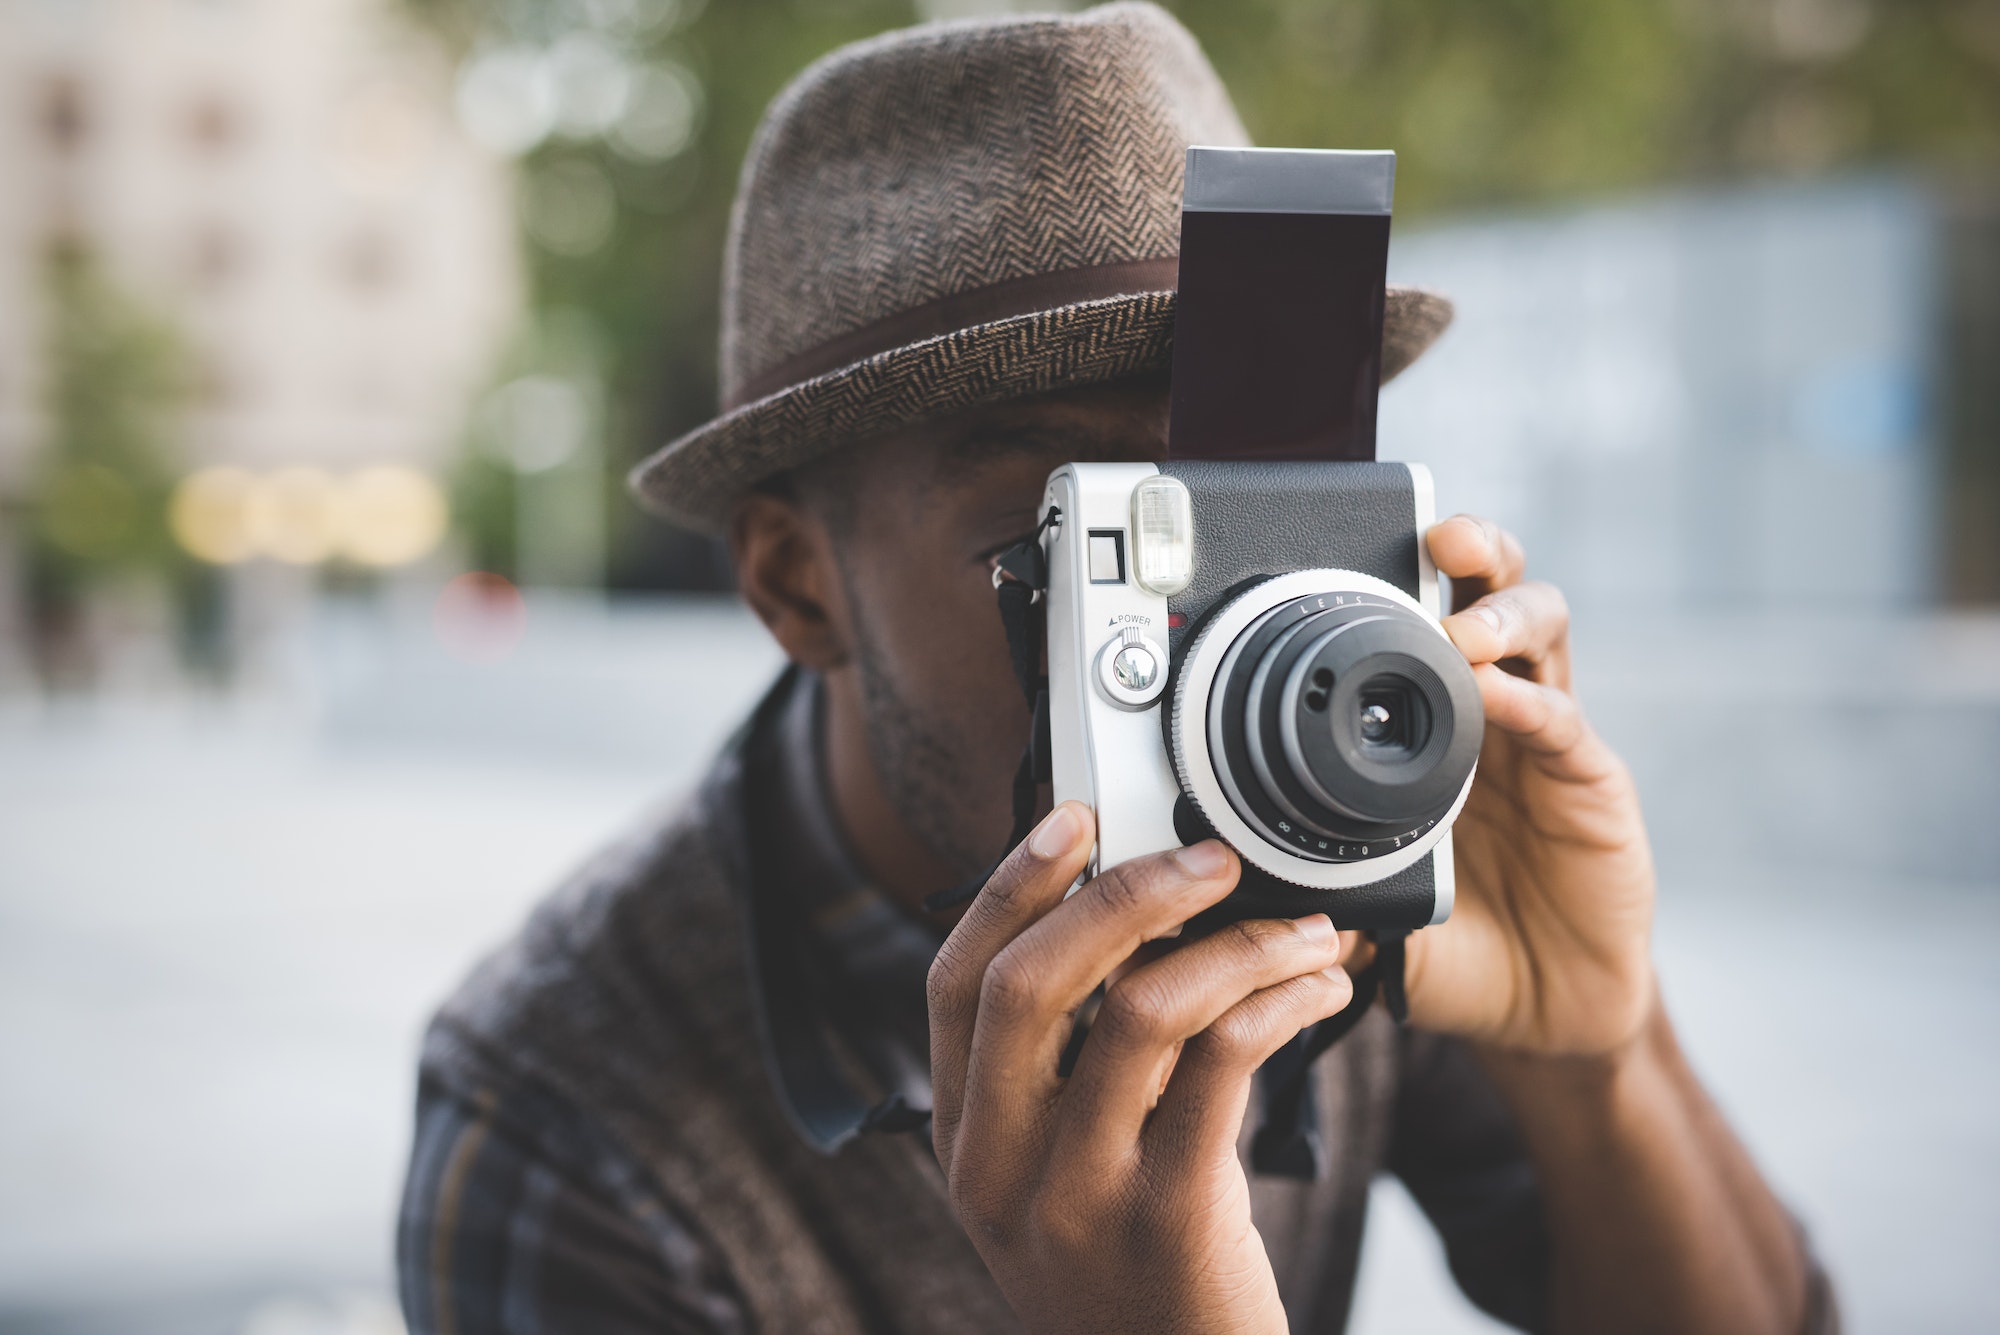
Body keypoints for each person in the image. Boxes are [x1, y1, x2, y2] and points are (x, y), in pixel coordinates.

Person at [397, 6, 1838, 1332]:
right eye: (1076, 545)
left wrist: (1598, 1057)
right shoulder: (566, 1122)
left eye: (1246, 515)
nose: (1235, 657)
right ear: (795, 584)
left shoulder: (1340, 853)